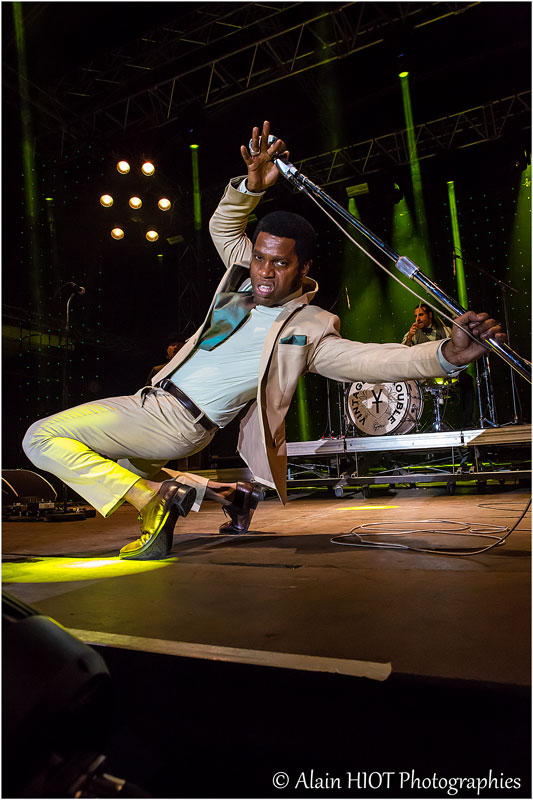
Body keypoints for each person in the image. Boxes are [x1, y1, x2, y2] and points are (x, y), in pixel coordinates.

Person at [22, 121, 506, 560]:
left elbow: (370, 362)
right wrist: (252, 186)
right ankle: (230, 495)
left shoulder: (308, 326)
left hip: (172, 418)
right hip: (160, 407)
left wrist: (447, 353)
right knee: (121, 463)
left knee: (41, 437)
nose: (264, 272)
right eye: (259, 257)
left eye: (280, 263)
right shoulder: (241, 277)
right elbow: (223, 226)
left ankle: (153, 503)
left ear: (303, 267)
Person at [402, 303, 475, 428]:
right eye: (415, 316)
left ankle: (467, 422)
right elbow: (402, 354)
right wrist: (409, 337)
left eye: (421, 315)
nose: (417, 319)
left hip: (445, 373)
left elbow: (457, 350)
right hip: (423, 376)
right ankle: (414, 425)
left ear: (430, 315)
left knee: (467, 380)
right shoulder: (412, 334)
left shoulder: (445, 330)